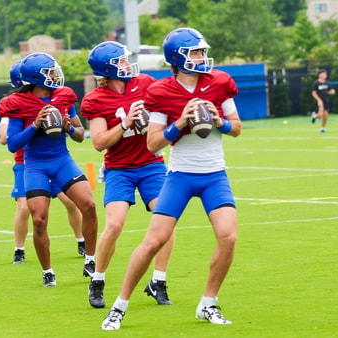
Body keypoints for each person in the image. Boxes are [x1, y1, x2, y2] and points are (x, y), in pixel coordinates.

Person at [101, 27, 242, 330]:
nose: (202, 57)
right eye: (195, 52)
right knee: (154, 241)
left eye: (202, 51)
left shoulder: (219, 82)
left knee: (228, 236)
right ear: (178, 59)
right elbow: (153, 143)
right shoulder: (161, 91)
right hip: (179, 174)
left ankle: (208, 303)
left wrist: (217, 121)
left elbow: (237, 127)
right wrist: (180, 122)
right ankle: (119, 306)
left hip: (214, 174)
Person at [81, 41, 176, 309]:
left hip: (151, 164)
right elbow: (99, 142)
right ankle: (97, 279)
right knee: (114, 224)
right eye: (120, 61)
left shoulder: (145, 83)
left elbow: (164, 111)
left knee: (166, 219)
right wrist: (125, 123)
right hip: (119, 168)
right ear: (107, 69)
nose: (126, 64)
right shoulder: (96, 99)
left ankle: (158, 280)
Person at [0, 53, 98, 286]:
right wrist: (34, 124)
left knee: (89, 205)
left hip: (62, 159)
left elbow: (81, 135)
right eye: (49, 72)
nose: (55, 76)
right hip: (35, 165)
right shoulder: (17, 103)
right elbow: (12, 143)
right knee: (40, 219)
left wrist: (69, 127)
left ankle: (91, 259)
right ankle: (48, 271)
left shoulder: (64, 96)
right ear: (36, 77)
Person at [311, 69, 335, 133]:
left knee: (326, 116)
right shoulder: (316, 83)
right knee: (321, 115)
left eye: (325, 74)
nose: (324, 75)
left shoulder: (327, 83)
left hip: (326, 101)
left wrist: (332, 92)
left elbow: (329, 91)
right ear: (319, 75)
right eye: (323, 74)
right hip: (319, 102)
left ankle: (322, 128)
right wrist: (318, 100)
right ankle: (314, 115)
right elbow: (313, 93)